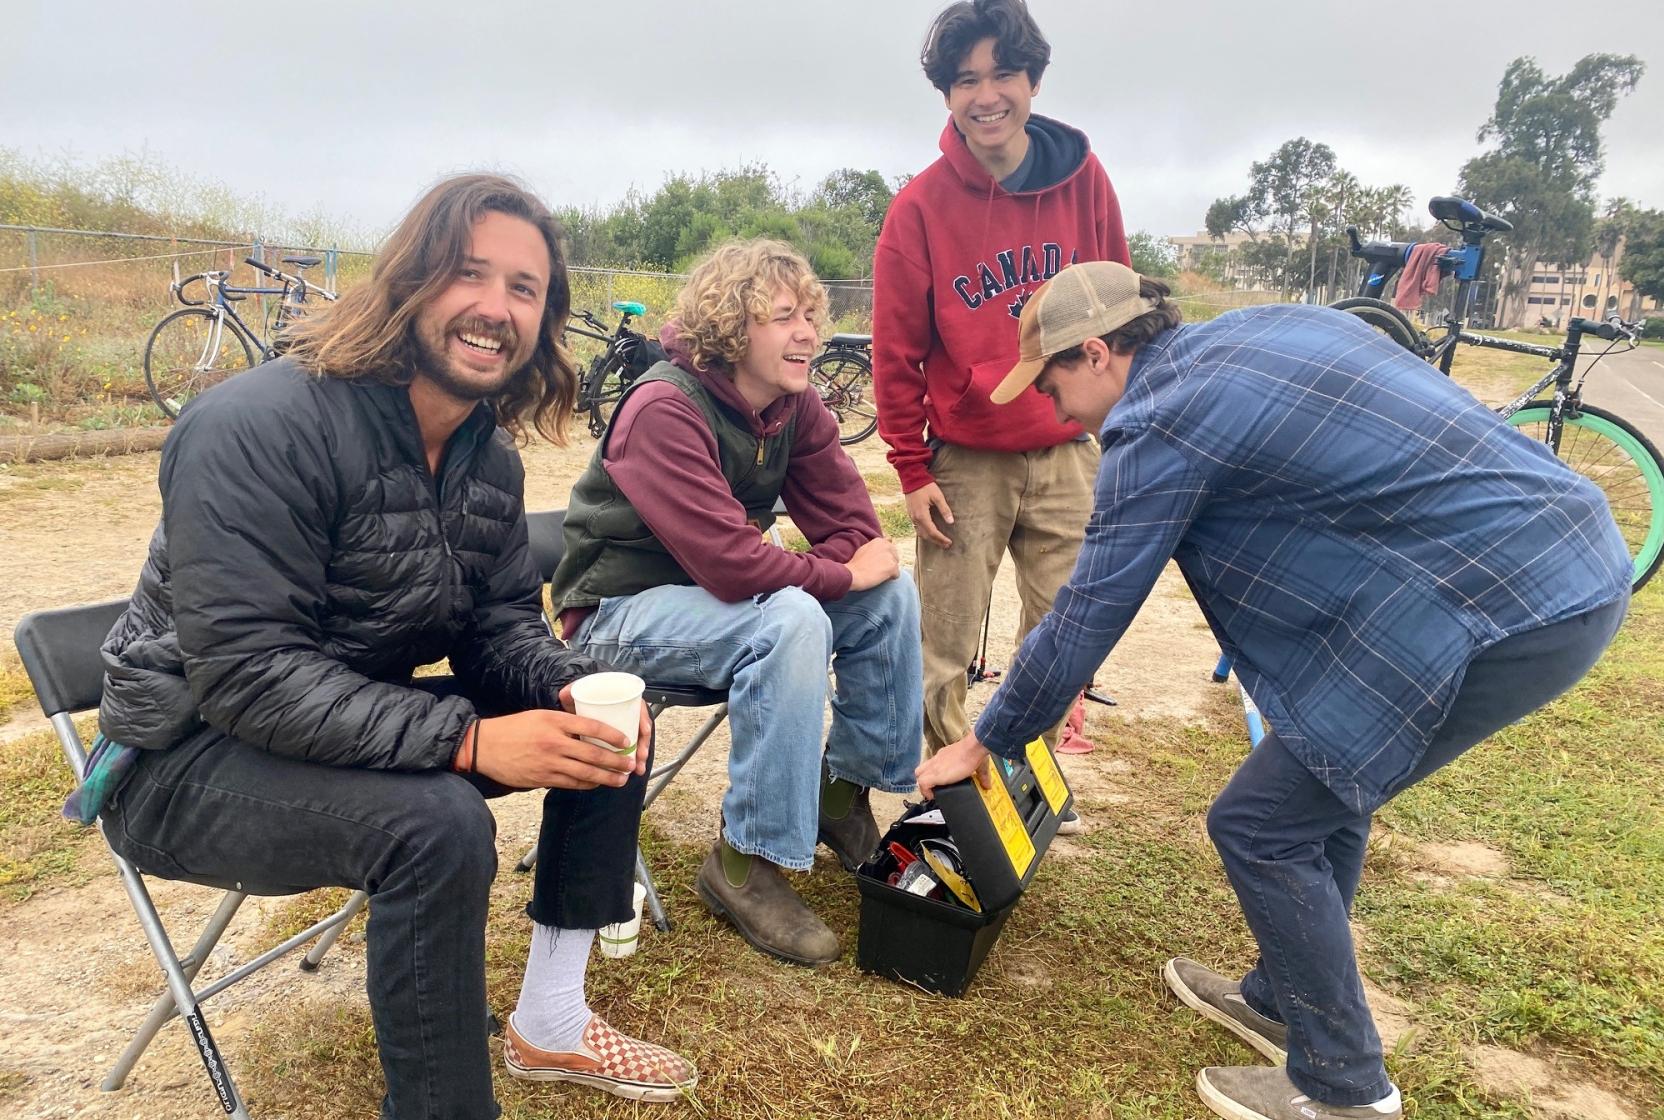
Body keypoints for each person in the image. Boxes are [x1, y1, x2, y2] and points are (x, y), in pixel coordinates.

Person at [917, 262, 1632, 1120]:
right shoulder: (1272, 326)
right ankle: (1280, 998)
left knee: (1260, 826)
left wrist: (985, 738)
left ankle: (1346, 1088)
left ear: (1099, 353)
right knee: (1324, 779)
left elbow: (1086, 612)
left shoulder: (1159, 421)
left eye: (1055, 383)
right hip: (1566, 552)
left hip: (1505, 606)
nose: (1057, 412)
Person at [95, 174, 697, 1116]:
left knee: (604, 721)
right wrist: (467, 742)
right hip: (181, 759)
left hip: (340, 731)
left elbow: (496, 624)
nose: (494, 308)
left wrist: (576, 685)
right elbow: (245, 675)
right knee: (438, 825)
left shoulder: (485, 456)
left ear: (545, 320)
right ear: (410, 281)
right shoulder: (260, 423)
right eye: (468, 273)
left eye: (525, 288)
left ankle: (552, 1019)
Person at [552, 239, 922, 968]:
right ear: (731, 326)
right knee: (792, 615)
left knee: (890, 597)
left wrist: (853, 569)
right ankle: (744, 862)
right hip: (617, 615)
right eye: (785, 316)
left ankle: (839, 798)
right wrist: (837, 575)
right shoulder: (664, 407)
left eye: (811, 315)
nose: (809, 333)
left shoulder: (793, 406)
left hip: (716, 603)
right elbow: (731, 565)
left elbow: (853, 526)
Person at [872, 0, 1131, 763]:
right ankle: (952, 787)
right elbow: (896, 352)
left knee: (1063, 632)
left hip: (1069, 449)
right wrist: (910, 470)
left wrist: (1120, 427)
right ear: (947, 96)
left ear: (1034, 80)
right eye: (966, 80)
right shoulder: (918, 208)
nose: (987, 95)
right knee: (941, 640)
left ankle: (1025, 775)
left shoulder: (1086, 182)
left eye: (1004, 74)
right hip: (967, 455)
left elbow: (1122, 311)